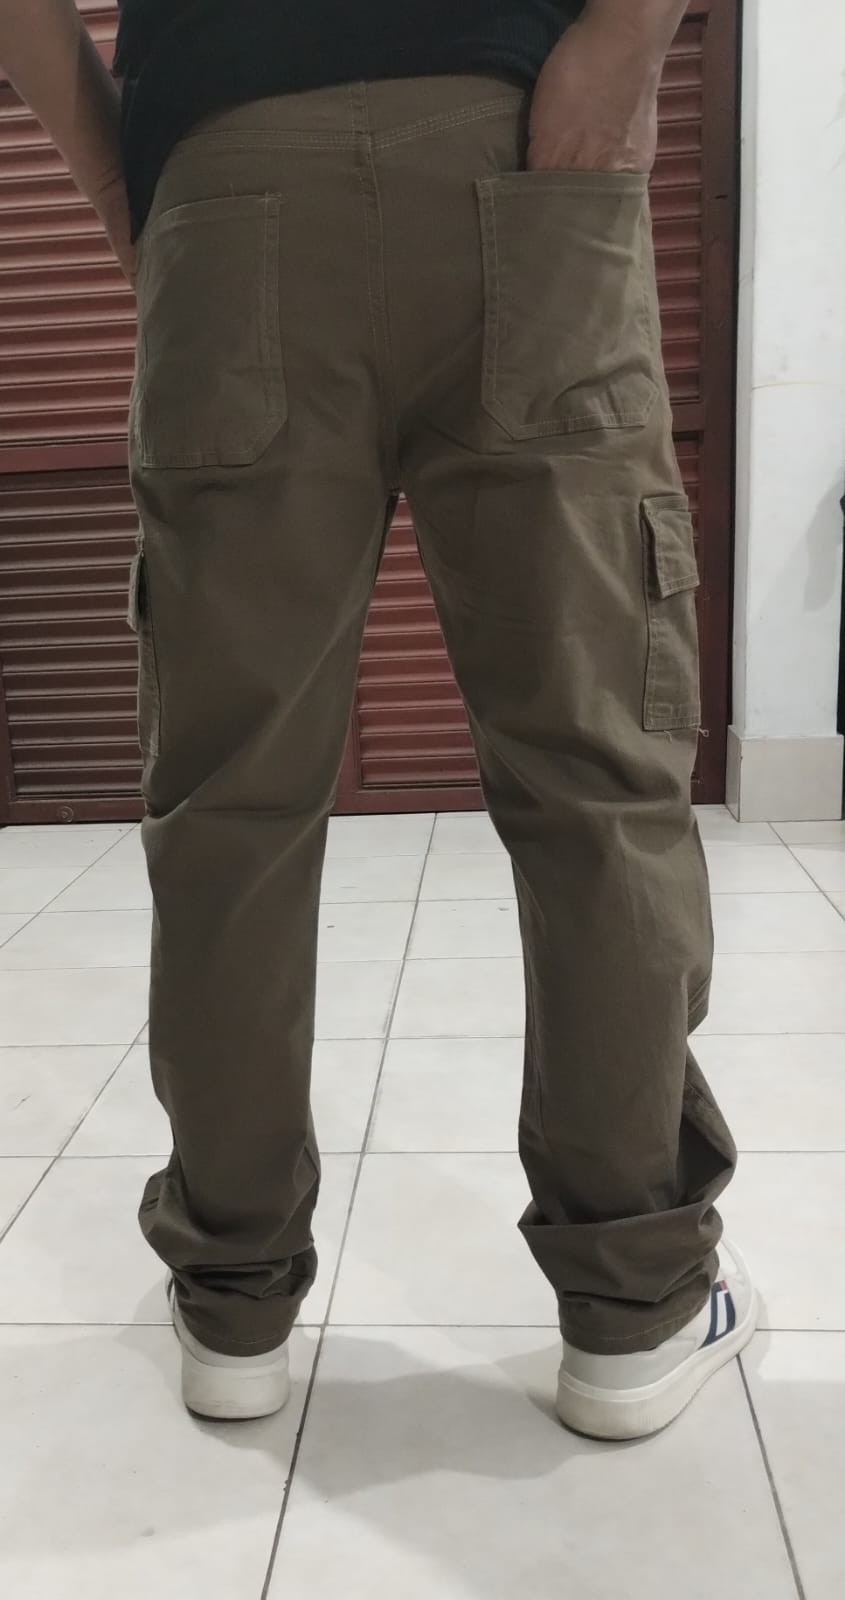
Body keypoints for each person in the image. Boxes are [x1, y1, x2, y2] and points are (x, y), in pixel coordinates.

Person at [0, 0, 756, 1441]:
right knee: (594, 778)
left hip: (228, 181)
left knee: (229, 809)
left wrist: (124, 181)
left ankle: (232, 1304)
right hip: (518, 137)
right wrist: (619, 46)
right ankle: (634, 1307)